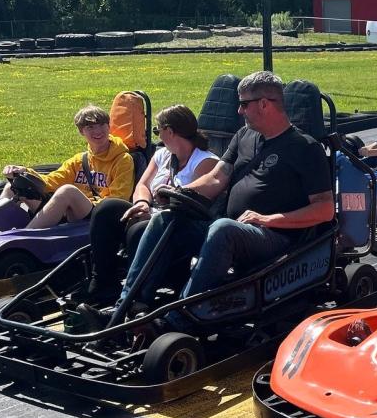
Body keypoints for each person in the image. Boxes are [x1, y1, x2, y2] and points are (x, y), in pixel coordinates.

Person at [110, 71, 334, 319]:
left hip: (274, 236)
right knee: (164, 219)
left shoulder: (305, 148)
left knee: (223, 228)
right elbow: (218, 177)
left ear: (264, 104)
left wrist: (268, 219)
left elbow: (325, 210)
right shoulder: (244, 136)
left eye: (243, 105)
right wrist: (181, 193)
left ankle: (180, 318)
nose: (239, 112)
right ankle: (128, 305)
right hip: (233, 229)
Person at [84, 105, 218, 305]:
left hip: (179, 222)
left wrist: (157, 210)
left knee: (139, 229)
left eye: (158, 130)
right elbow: (143, 184)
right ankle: (103, 283)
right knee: (107, 209)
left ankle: (135, 298)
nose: (158, 136)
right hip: (153, 211)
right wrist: (141, 203)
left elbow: (196, 202)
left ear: (170, 131)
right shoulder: (162, 155)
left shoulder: (206, 162)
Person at [0, 105, 134, 236]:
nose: (98, 131)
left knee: (67, 191)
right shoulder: (80, 160)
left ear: (109, 126)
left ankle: (20, 237)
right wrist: (23, 172)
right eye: (90, 127)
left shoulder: (123, 160)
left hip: (100, 212)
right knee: (13, 186)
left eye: (101, 125)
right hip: (71, 210)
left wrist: (77, 201)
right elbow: (51, 182)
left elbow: (119, 197)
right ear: (82, 132)